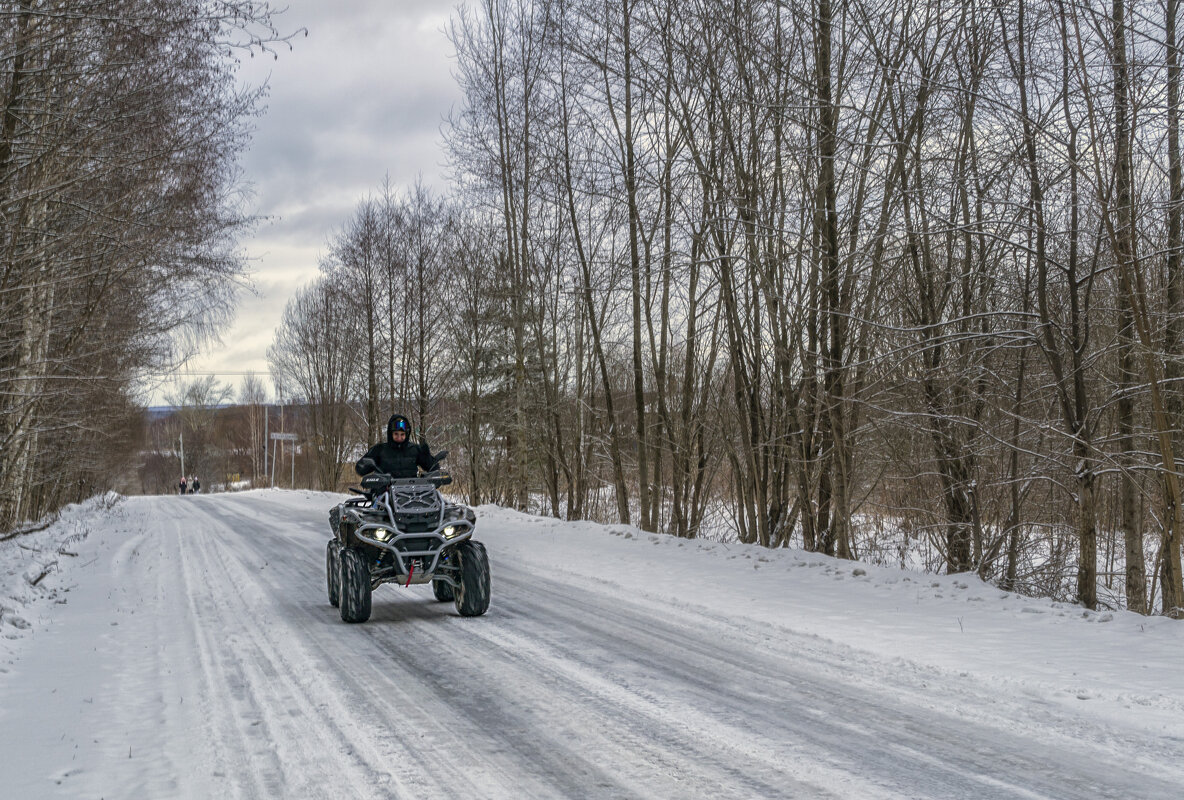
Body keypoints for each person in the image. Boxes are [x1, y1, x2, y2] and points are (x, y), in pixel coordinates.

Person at [356, 414, 437, 479]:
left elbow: (432, 468)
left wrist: (427, 457)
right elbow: (360, 469)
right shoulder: (379, 450)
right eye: (396, 434)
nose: (399, 437)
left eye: (402, 434)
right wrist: (367, 465)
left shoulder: (414, 449)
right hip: (385, 492)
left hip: (411, 492)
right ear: (390, 434)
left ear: (407, 434)